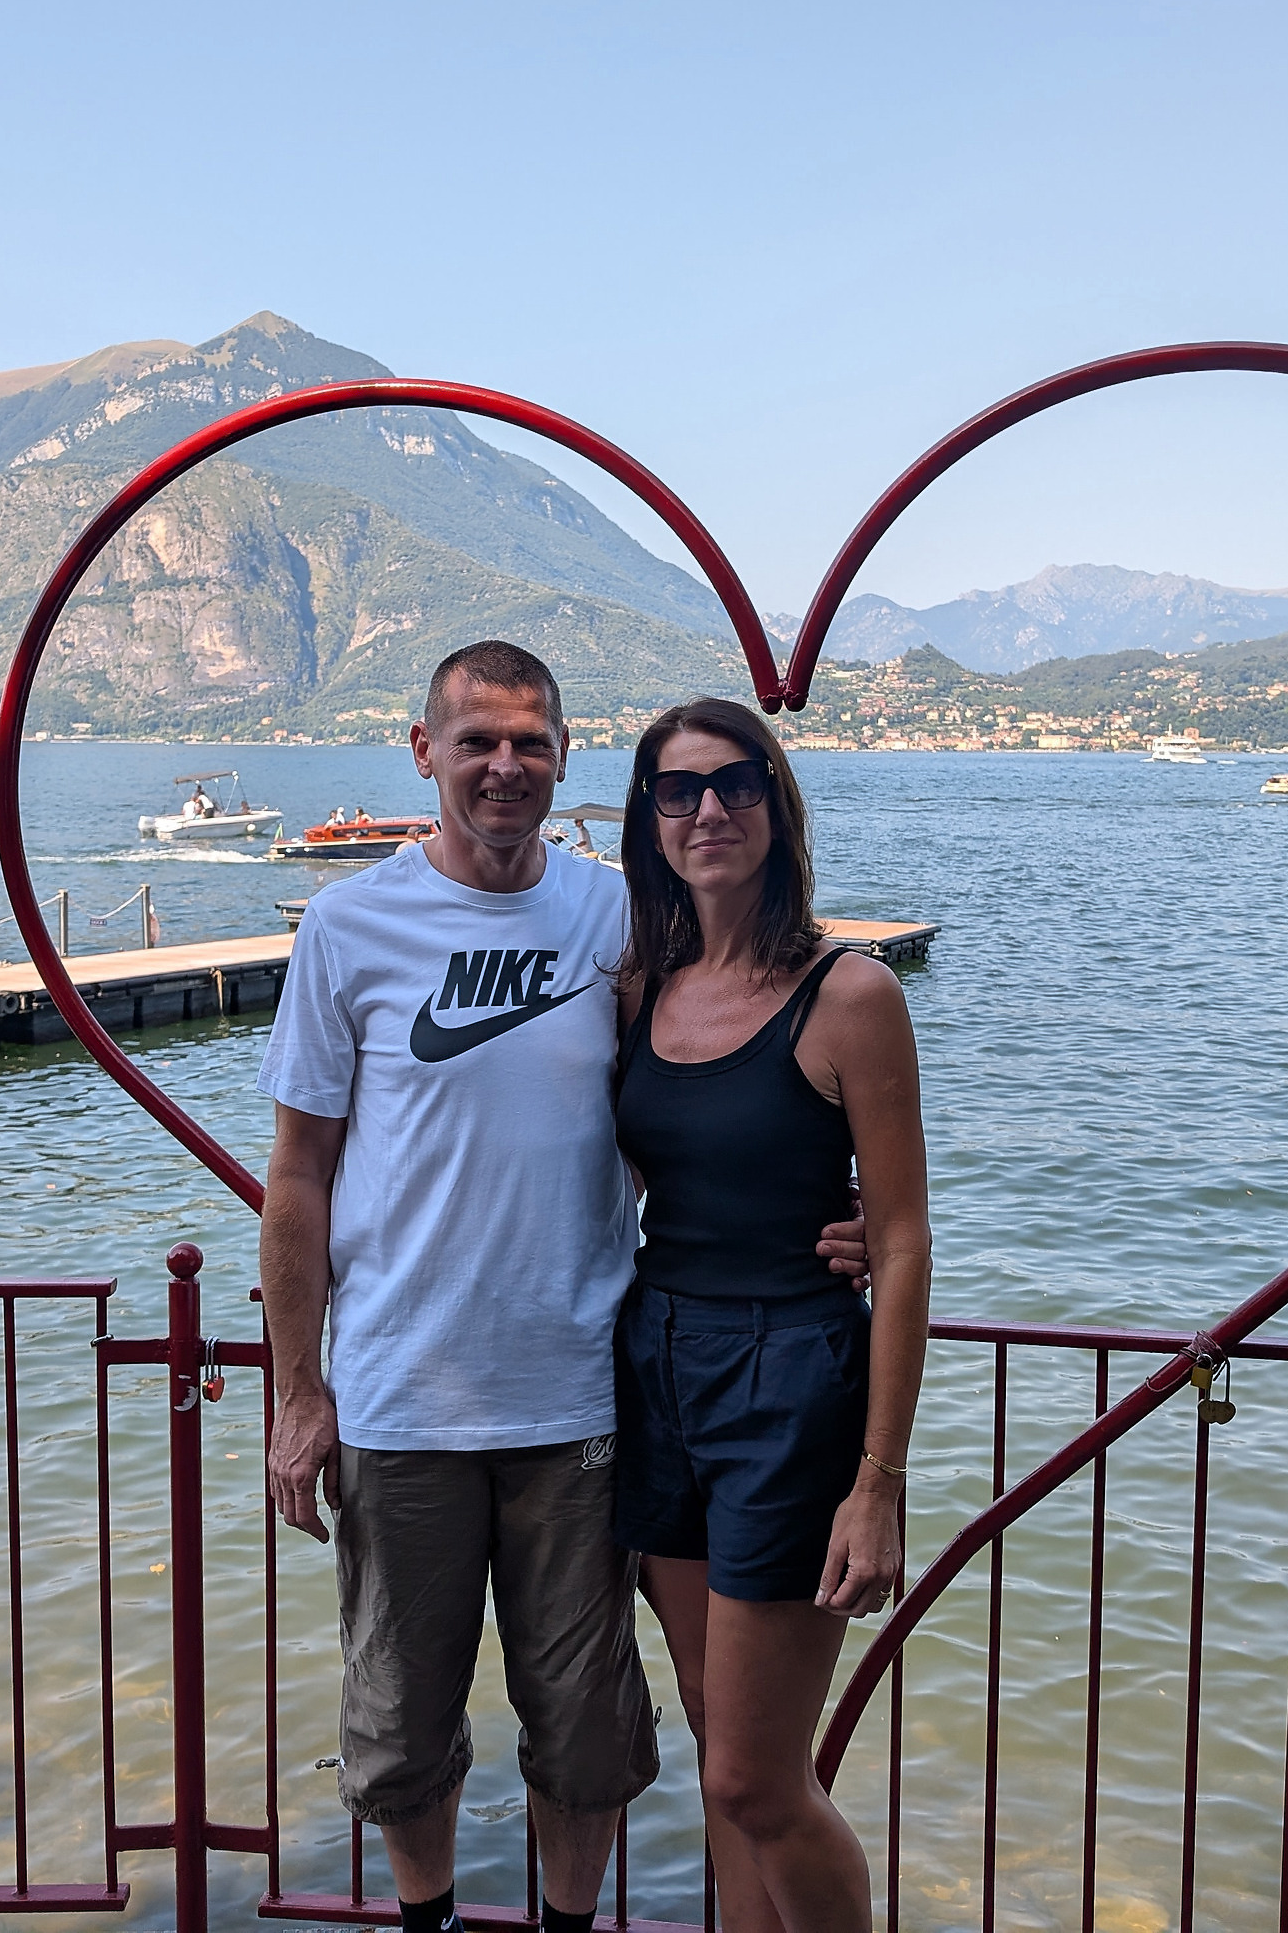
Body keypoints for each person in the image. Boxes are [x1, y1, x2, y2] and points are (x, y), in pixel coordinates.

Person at [258, 643, 866, 1933]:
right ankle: (427, 1920)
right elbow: (298, 1175)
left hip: (585, 1393)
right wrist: (298, 1391)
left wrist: (830, 1207)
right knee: (402, 1725)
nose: (503, 765)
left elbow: (720, 1067)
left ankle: (568, 1927)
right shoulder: (347, 925)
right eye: (475, 740)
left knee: (586, 1725)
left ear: (562, 757)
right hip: (398, 1395)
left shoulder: (620, 918)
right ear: (421, 751)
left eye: (529, 742)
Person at [612, 697, 932, 1933]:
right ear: (649, 819)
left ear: (776, 806)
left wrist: (878, 1481)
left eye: (735, 782)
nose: (707, 809)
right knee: (716, 1745)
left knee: (757, 1774)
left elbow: (899, 1240)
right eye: (678, 789)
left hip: (791, 1380)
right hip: (657, 1366)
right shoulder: (640, 988)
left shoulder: (848, 994)